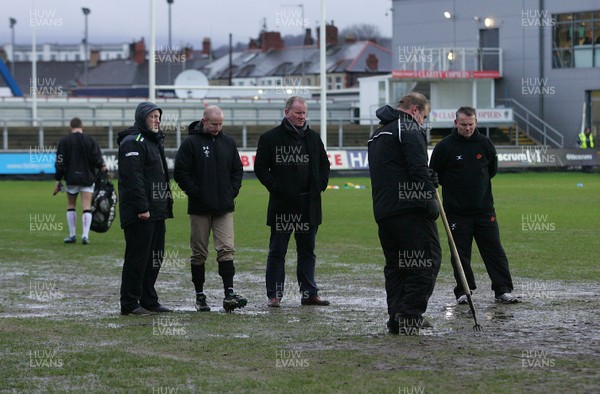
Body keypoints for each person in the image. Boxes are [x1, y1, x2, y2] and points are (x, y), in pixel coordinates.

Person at [367, 92, 442, 335]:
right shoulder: (408, 128)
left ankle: (396, 317)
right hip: (410, 210)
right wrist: (430, 196)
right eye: (425, 116)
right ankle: (409, 314)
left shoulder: (378, 133)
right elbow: (418, 169)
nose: (424, 121)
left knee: (397, 266)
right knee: (426, 261)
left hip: (385, 211)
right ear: (415, 110)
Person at [430, 106, 518, 305]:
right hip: (455, 212)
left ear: (476, 123)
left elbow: (491, 170)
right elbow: (434, 174)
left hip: (484, 210)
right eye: (463, 125)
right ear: (455, 123)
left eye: (471, 124)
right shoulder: (444, 146)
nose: (468, 128)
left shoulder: (485, 143)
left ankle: (503, 290)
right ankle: (463, 291)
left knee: (494, 250)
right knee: (459, 253)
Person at [254, 96, 331, 307]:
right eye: (298, 112)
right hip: (283, 206)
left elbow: (324, 164)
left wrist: (320, 185)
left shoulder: (313, 138)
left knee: (307, 252)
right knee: (278, 251)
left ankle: (309, 294)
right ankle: (274, 295)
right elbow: (260, 168)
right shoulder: (270, 138)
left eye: (304, 113)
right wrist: (278, 189)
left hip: (309, 204)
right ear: (287, 111)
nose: (302, 116)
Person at [174, 106, 247, 313]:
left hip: (224, 207)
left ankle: (229, 294)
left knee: (226, 250)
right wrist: (196, 192)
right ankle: (200, 295)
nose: (217, 128)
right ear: (203, 121)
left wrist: (232, 191)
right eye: (214, 124)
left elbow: (237, 169)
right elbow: (181, 172)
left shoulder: (228, 143)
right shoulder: (190, 143)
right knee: (199, 253)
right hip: (199, 208)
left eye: (221, 124)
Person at [117, 102, 174, 316]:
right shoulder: (133, 142)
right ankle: (129, 303)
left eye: (159, 116)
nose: (157, 120)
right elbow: (133, 178)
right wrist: (142, 207)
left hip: (157, 211)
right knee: (137, 258)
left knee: (155, 257)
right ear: (142, 118)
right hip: (140, 213)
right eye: (152, 116)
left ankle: (149, 299)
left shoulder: (154, 141)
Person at [54, 117, 106, 245]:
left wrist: (58, 179)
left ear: (70, 126)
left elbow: (60, 162)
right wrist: (102, 166)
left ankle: (72, 235)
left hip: (71, 178)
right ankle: (85, 236)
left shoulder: (64, 141)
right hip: (87, 178)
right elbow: (97, 158)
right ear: (82, 126)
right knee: (86, 207)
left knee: (71, 205)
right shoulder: (90, 140)